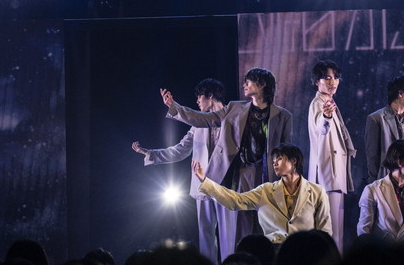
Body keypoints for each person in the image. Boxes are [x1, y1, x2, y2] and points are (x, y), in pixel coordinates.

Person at [161, 68, 292, 248]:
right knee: (241, 229)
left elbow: (286, 151)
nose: (244, 85)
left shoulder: (283, 116)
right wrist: (175, 107)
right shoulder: (234, 108)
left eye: (249, 81)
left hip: (268, 176)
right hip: (242, 175)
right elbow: (204, 119)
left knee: (268, 230)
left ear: (262, 84)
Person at [132, 78, 236, 263]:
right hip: (203, 185)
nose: (197, 101)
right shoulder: (197, 125)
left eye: (199, 96)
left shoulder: (233, 117)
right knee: (206, 237)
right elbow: (180, 150)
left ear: (210, 96)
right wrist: (150, 153)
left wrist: (174, 106)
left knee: (229, 236)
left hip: (226, 185)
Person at [192, 143, 332, 245]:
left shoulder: (317, 192)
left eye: (279, 159)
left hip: (305, 253)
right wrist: (205, 181)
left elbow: (325, 231)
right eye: (273, 161)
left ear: (293, 161)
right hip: (273, 253)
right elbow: (235, 200)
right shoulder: (265, 191)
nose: (274, 163)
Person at [307, 60, 356, 252]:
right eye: (327, 78)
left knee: (337, 233)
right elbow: (321, 128)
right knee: (330, 233)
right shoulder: (318, 104)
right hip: (327, 175)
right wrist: (326, 117)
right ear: (316, 82)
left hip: (334, 175)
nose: (333, 81)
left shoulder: (329, 101)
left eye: (335, 77)